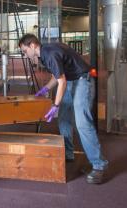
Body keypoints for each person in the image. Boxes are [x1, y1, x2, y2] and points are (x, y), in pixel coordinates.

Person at [19, 34, 108, 184]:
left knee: (82, 123)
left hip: (82, 80)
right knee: (63, 119)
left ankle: (99, 165)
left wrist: (55, 105)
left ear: (33, 46)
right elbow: (57, 75)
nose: (25, 55)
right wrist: (45, 89)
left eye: (25, 51)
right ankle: (68, 153)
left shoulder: (49, 53)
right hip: (71, 80)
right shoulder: (45, 53)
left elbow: (62, 82)